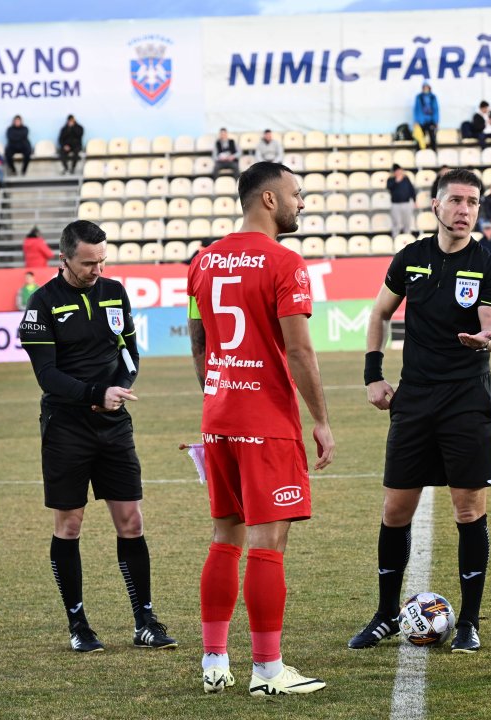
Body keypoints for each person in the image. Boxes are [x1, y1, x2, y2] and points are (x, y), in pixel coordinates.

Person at [349, 168, 491, 654]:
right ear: (436, 206)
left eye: (473, 202)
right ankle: (384, 615)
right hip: (414, 400)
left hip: (466, 401)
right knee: (395, 509)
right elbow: (379, 313)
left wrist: (486, 341)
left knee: (469, 510)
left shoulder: (490, 265)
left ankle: (469, 622)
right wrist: (373, 374)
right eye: (456, 200)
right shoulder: (411, 259)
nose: (464, 210)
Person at [187, 161, 335, 697]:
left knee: (225, 535)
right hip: (266, 422)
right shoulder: (286, 262)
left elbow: (199, 341)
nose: (302, 203)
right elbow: (298, 349)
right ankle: (269, 671)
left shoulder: (202, 261)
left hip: (219, 417)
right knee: (268, 543)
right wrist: (320, 420)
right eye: (296, 194)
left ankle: (213, 662)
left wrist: (216, 395)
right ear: (268, 200)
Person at [17, 220, 176, 654]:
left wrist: (121, 387)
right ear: (64, 259)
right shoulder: (42, 304)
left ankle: (145, 621)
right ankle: (79, 626)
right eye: (88, 263)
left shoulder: (115, 291)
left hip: (114, 423)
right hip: (66, 427)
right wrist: (94, 394)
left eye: (102, 260)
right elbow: (47, 375)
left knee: (132, 521)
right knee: (69, 525)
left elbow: (130, 349)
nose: (97, 269)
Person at [387, 164, 416, 236]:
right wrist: (397, 181)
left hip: (406, 203)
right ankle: (395, 237)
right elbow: (389, 187)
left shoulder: (406, 179)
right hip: (395, 204)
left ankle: (408, 236)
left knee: (407, 222)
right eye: (397, 171)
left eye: (400, 170)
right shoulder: (391, 179)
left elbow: (411, 189)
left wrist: (414, 200)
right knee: (396, 222)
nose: (399, 172)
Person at [414, 81, 439, 151]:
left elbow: (436, 109)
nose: (425, 89)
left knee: (432, 138)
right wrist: (416, 121)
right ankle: (419, 153)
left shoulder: (433, 97)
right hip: (421, 121)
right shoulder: (419, 97)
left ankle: (434, 153)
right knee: (420, 138)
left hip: (430, 120)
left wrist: (436, 121)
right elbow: (416, 110)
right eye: (424, 87)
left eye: (426, 87)